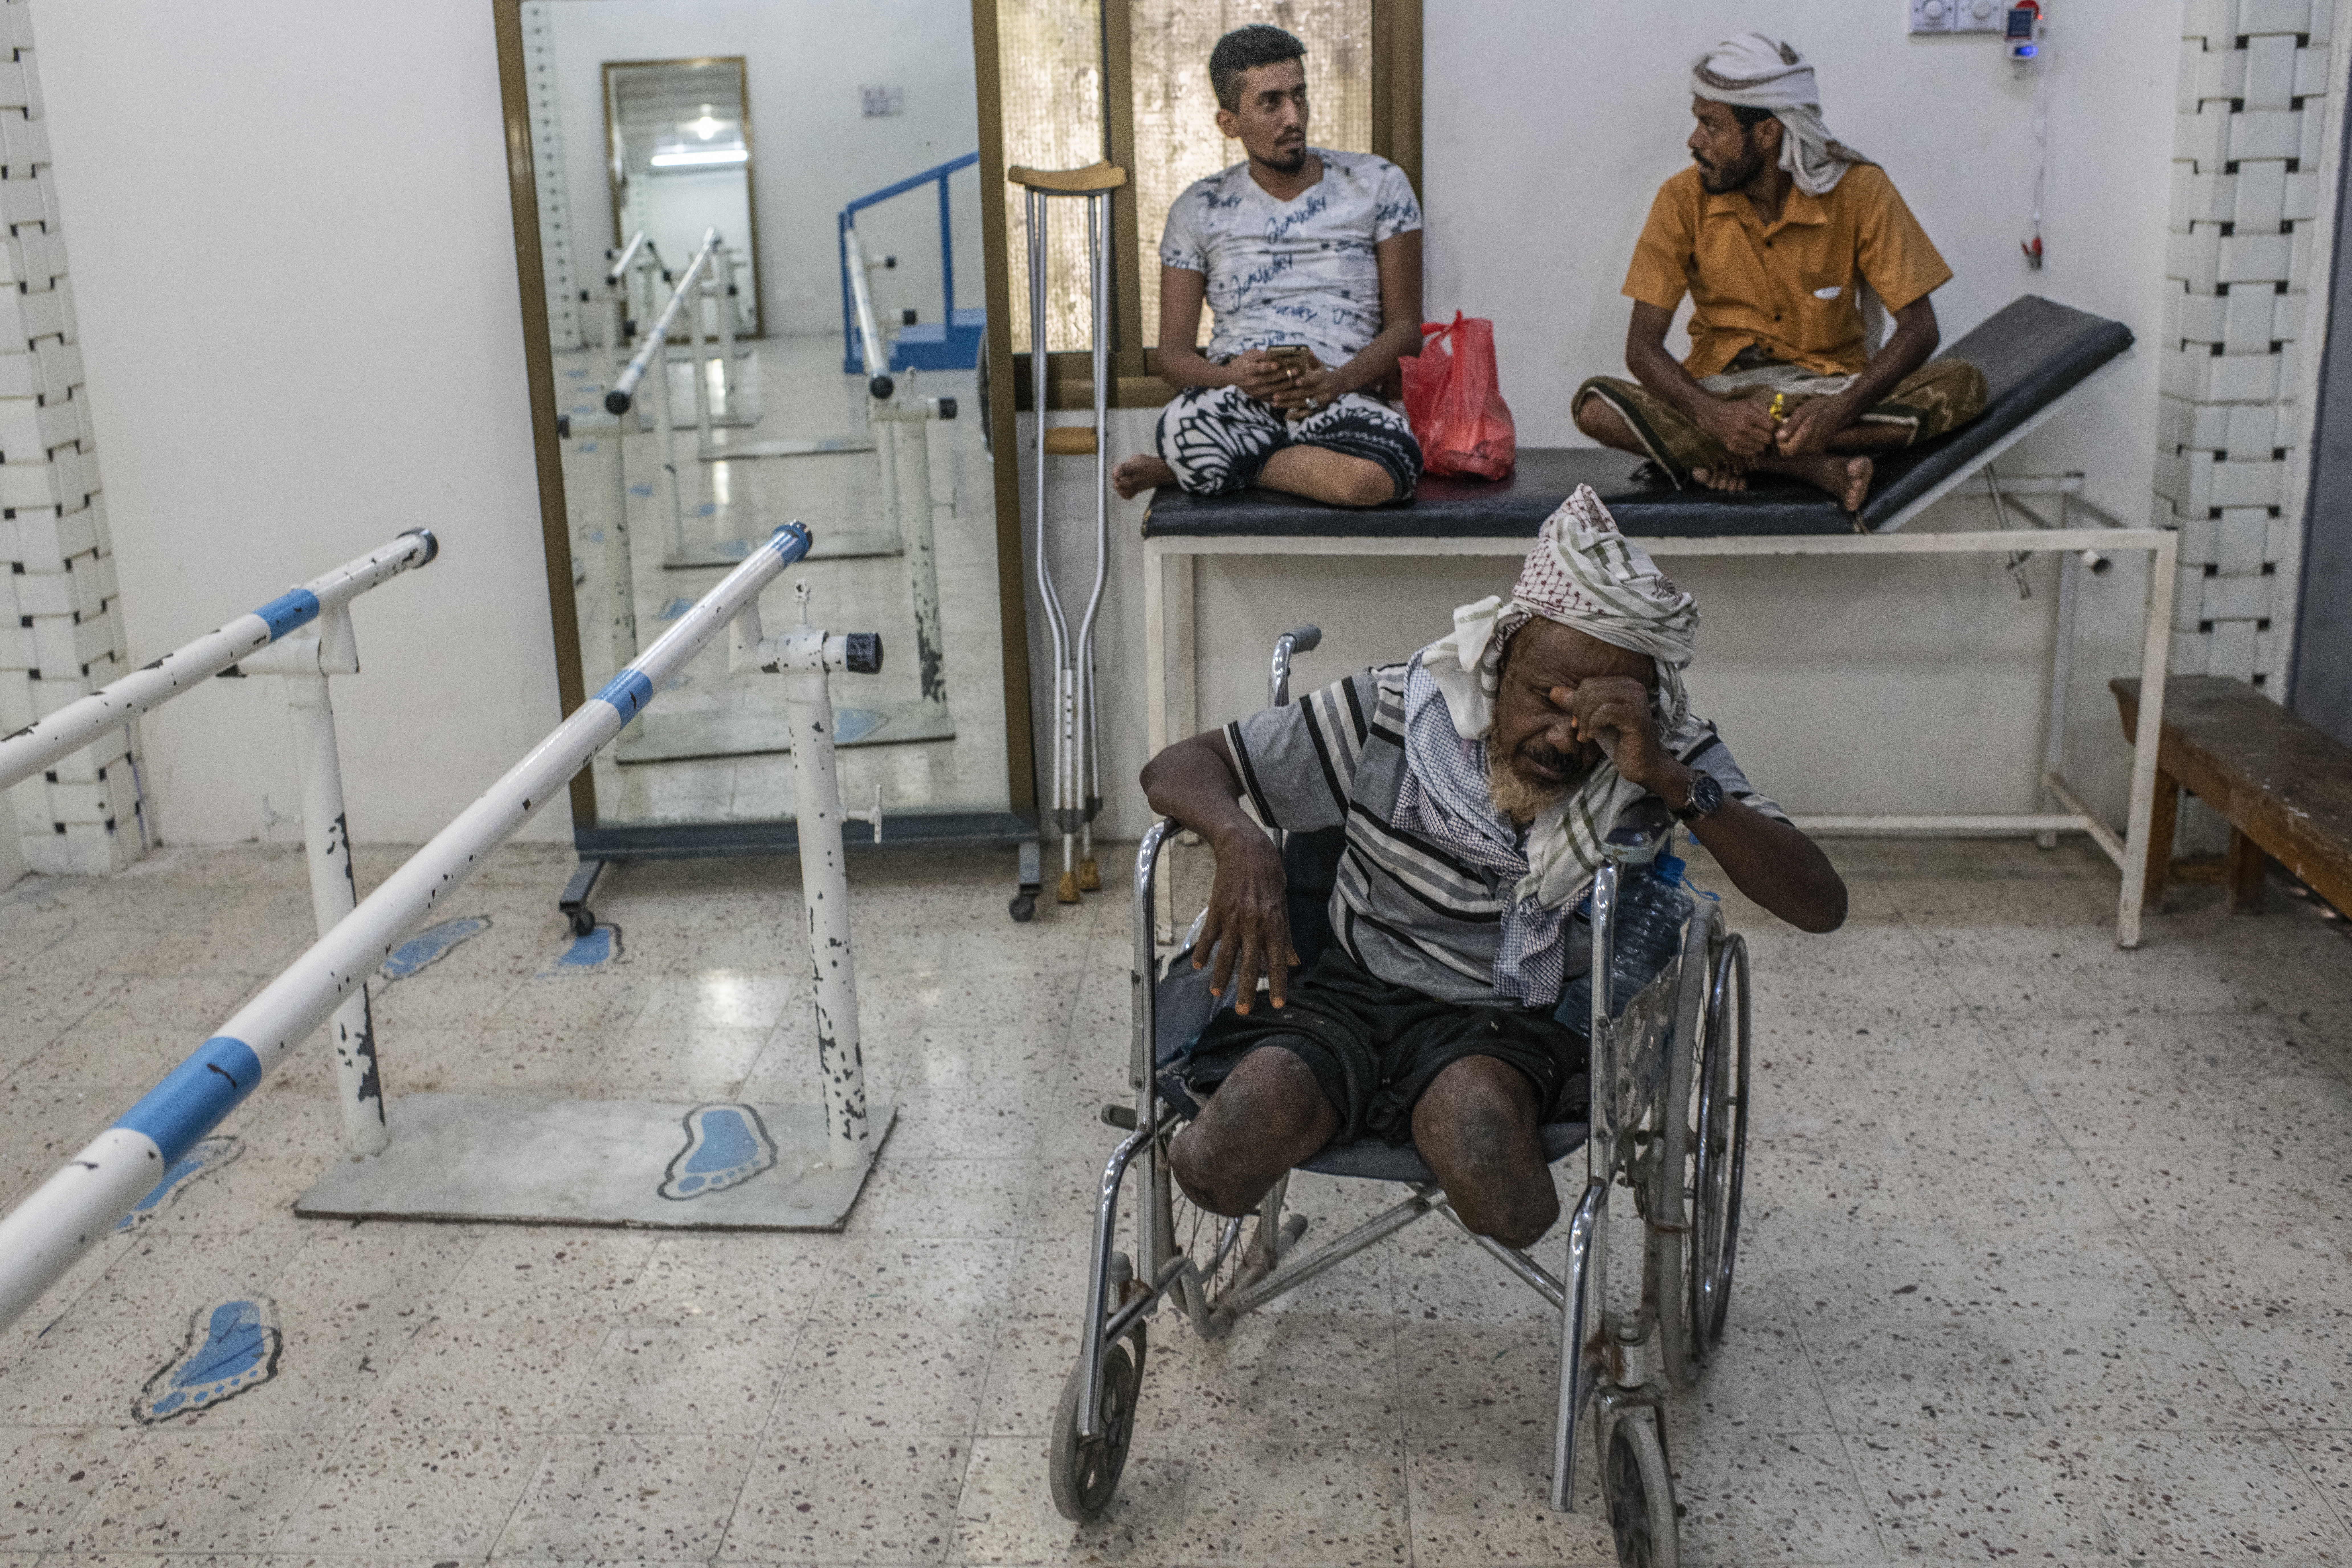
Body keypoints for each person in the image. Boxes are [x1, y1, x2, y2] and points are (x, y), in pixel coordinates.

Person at [1140, 485, 1846, 1248]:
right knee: (1221, 1152)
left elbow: (1820, 903)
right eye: (1546, 697)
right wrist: (1241, 840)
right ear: (1498, 663)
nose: (1566, 738)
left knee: (1491, 1165)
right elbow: (1180, 766)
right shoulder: (1402, 707)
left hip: (1513, 1018)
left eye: (1598, 719)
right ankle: (1339, 1097)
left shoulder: (1663, 748)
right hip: (1351, 987)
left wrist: (1670, 781)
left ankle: (1425, 1107)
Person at [1572, 34, 1988, 515]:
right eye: (1698, 122)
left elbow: (1920, 330)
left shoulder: (1860, 190)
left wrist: (1839, 411)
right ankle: (1808, 466)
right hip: (1723, 394)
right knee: (1596, 406)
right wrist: (1712, 415)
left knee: (1964, 384)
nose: (1695, 141)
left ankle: (1731, 457)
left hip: (1826, 393)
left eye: (1712, 126)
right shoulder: (1680, 199)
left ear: (1768, 134)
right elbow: (1642, 348)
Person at [1110, 24, 1426, 509]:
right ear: (1229, 123)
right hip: (1237, 399)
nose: (1293, 117)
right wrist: (1230, 377)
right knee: (1179, 427)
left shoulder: (1379, 184)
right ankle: (1218, 461)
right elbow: (1172, 356)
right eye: (1271, 103)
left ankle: (1201, 469)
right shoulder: (1198, 208)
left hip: (1341, 394)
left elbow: (1406, 330)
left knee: (1388, 472)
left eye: (1299, 97)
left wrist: (1338, 381)